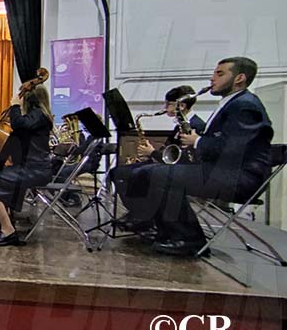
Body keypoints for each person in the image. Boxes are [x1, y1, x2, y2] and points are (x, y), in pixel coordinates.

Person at [117, 57, 272, 256]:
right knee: (143, 172)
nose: (212, 78)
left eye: (220, 74)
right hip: (222, 171)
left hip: (239, 177)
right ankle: (158, 227)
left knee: (157, 175)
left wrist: (197, 141)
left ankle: (189, 239)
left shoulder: (245, 105)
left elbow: (234, 148)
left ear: (239, 78)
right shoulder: (234, 103)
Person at [111, 85, 207, 233]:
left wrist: (152, 153)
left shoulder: (195, 126)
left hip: (180, 171)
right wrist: (152, 153)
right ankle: (140, 213)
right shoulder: (180, 125)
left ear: (181, 105)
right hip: (166, 165)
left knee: (135, 174)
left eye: (168, 104)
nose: (165, 107)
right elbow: (170, 151)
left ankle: (143, 216)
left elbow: (184, 158)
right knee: (117, 172)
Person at [0, 85, 54, 247]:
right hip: (31, 168)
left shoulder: (38, 115)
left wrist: (15, 105)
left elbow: (19, 124)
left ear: (30, 99)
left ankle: (8, 230)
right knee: (0, 177)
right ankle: (4, 218)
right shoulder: (37, 116)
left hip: (35, 170)